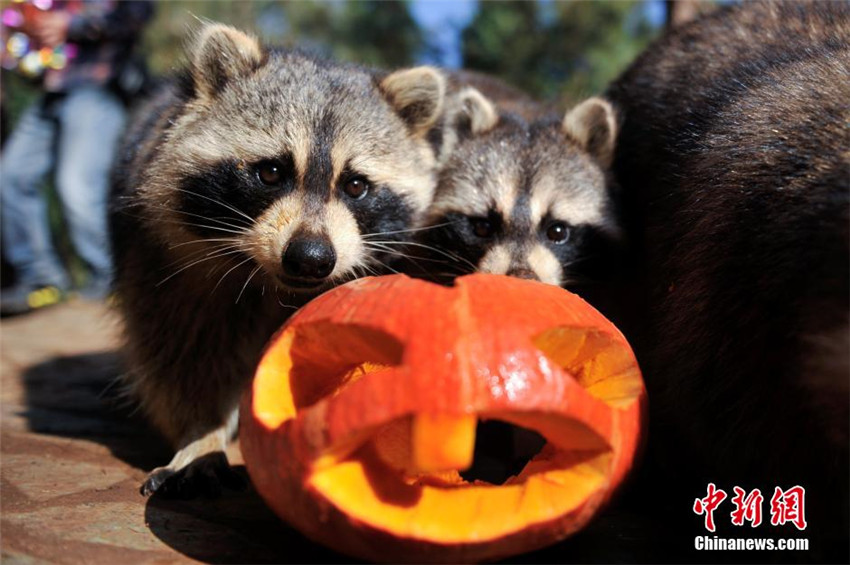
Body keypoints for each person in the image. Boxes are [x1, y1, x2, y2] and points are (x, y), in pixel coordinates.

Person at [0, 0, 153, 315]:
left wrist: (69, 24)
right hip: (51, 95)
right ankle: (41, 279)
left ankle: (109, 282)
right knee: (11, 177)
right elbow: (31, 64)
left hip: (95, 92)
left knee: (78, 185)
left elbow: (137, 13)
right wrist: (18, 45)